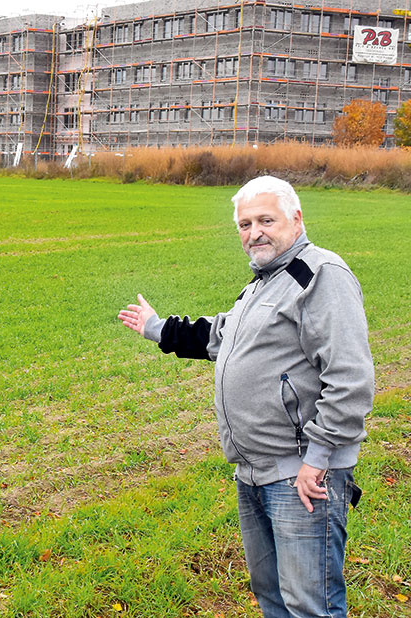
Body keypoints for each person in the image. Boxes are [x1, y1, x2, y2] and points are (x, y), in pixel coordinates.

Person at [117, 176, 373, 618]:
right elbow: (221, 337)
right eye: (244, 223)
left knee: (310, 605)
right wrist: (157, 328)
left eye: (265, 220)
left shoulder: (319, 276)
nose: (254, 232)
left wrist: (319, 458)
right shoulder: (261, 285)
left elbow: (350, 379)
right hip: (254, 473)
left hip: (302, 478)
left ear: (296, 219)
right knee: (273, 598)